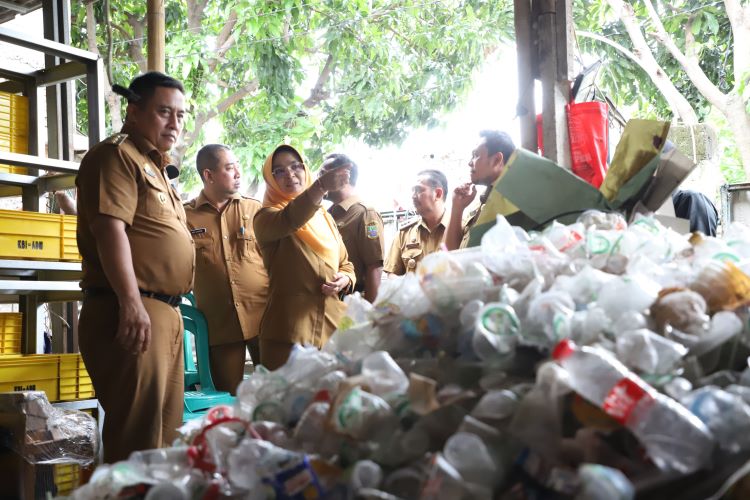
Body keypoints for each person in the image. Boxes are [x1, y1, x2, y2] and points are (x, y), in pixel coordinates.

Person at [75, 72, 192, 463]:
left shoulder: (156, 167)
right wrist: (131, 302)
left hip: (164, 313)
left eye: (180, 115)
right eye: (164, 112)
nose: (174, 123)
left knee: (165, 441)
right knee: (137, 441)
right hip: (132, 308)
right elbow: (110, 231)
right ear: (134, 110)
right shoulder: (117, 155)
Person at [253, 145, 356, 370]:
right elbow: (291, 218)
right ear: (270, 179)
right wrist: (320, 187)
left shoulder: (324, 218)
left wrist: (345, 279)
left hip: (332, 330)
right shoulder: (266, 217)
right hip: (288, 336)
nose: (290, 174)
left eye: (295, 166)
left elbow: (346, 263)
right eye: (278, 171)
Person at [183, 144, 268, 394]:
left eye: (237, 166)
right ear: (208, 175)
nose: (238, 173)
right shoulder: (185, 216)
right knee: (227, 398)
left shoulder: (255, 210)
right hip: (218, 324)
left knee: (277, 392)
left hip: (264, 317)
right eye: (230, 168)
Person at [321, 153, 384, 302]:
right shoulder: (326, 215)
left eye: (324, 174)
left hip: (353, 300)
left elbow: (374, 266)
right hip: (329, 299)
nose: (319, 180)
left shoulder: (365, 213)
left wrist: (370, 313)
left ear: (344, 175)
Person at [445, 130, 516, 250]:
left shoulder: (512, 202)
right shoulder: (483, 201)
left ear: (497, 160)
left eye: (476, 155)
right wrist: (457, 208)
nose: (469, 163)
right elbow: (452, 252)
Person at [384, 169, 449, 275]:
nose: (413, 196)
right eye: (413, 191)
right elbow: (392, 275)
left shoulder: (460, 228)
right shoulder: (404, 233)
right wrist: (413, 287)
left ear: (437, 194)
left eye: (419, 190)